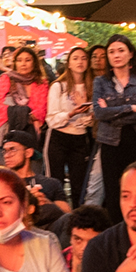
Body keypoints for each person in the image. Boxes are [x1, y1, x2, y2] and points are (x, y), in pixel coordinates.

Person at [46, 46, 97, 205]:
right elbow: (51, 119)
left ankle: (77, 220)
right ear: (68, 63)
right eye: (75, 58)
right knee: (56, 183)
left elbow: (92, 119)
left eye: (83, 58)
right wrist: (71, 114)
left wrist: (87, 114)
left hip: (81, 138)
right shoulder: (58, 86)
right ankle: (57, 220)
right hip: (58, 137)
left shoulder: (93, 86)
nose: (80, 62)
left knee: (79, 185)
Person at [0, 45, 49, 155]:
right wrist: (25, 113)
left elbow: (40, 111)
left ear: (34, 63)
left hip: (32, 135)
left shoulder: (41, 83)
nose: (23, 64)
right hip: (5, 134)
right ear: (15, 63)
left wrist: (15, 111)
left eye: (28, 60)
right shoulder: (6, 79)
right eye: (19, 60)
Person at [0, 129, 66, 225]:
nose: (7, 155)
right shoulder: (2, 184)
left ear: (28, 153)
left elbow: (67, 216)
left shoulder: (51, 183)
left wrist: (47, 202)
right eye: (5, 151)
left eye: (12, 150)